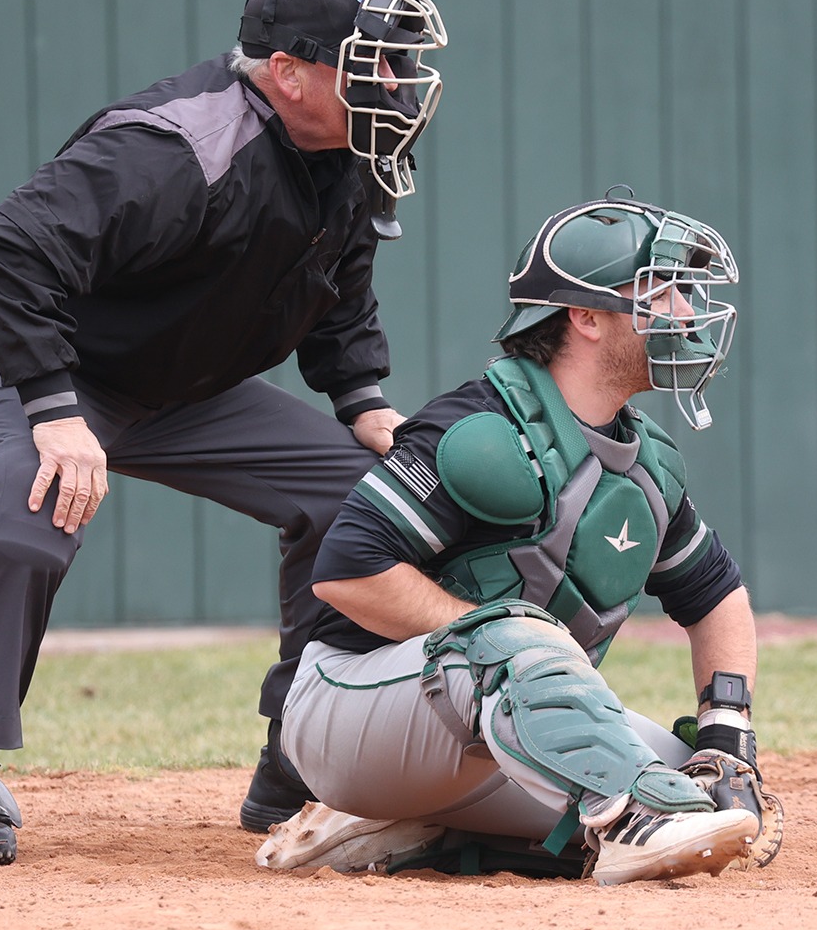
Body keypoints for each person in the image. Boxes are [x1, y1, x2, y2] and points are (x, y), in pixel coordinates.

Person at [0, 0, 447, 864]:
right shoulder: (178, 144)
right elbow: (10, 248)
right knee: (36, 503)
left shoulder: (350, 143)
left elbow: (339, 284)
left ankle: (298, 752)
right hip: (32, 358)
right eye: (371, 60)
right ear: (288, 73)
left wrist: (363, 402)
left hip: (172, 383)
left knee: (356, 496)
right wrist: (56, 414)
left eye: (398, 59)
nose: (397, 81)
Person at [251, 193, 783, 885]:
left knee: (700, 794)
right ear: (585, 316)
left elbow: (718, 596)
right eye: (661, 289)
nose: (684, 310)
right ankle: (621, 821)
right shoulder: (481, 430)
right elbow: (346, 571)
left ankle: (411, 830)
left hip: (478, 742)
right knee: (518, 642)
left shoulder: (646, 461)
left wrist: (726, 730)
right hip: (347, 709)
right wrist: (497, 637)